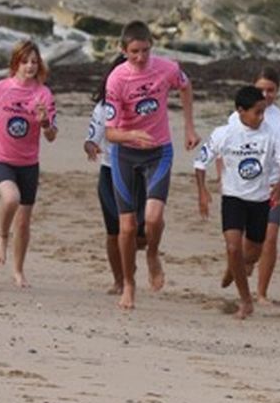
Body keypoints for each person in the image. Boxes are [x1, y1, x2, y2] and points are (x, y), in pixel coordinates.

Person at [103, 21, 199, 311]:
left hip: (159, 152)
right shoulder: (117, 79)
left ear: (151, 47)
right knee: (128, 227)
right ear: (124, 50)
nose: (140, 57)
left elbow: (185, 86)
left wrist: (189, 127)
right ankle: (129, 283)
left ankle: (152, 254)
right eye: (134, 52)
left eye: (145, 50)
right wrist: (131, 134)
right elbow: (110, 133)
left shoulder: (166, 68)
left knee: (153, 218)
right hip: (125, 155)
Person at [195, 85, 280, 319]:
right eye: (257, 112)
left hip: (260, 200)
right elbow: (200, 163)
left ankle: (234, 268)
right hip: (233, 198)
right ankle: (246, 300)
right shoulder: (224, 133)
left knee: (252, 254)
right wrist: (202, 191)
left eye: (263, 112)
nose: (261, 117)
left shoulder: (271, 133)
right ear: (240, 111)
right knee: (233, 247)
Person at [0, 40, 57, 288]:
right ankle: (1, 237)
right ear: (15, 63)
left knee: (24, 221)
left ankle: (18, 270)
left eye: (34, 62)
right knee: (11, 199)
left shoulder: (43, 94)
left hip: (29, 163)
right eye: (24, 61)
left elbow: (51, 136)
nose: (30, 66)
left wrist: (44, 123)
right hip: (2, 160)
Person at [84, 54, 146, 296]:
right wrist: (91, 147)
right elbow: (91, 138)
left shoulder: (144, 105)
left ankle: (131, 257)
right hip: (110, 173)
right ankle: (120, 280)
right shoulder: (103, 108)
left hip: (139, 174)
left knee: (140, 234)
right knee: (114, 231)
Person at [252, 67, 280, 305]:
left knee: (270, 237)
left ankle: (262, 292)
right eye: (261, 89)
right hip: (245, 185)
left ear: (277, 91)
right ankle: (246, 267)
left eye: (270, 90)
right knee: (248, 240)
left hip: (273, 184)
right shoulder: (240, 115)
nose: (265, 95)